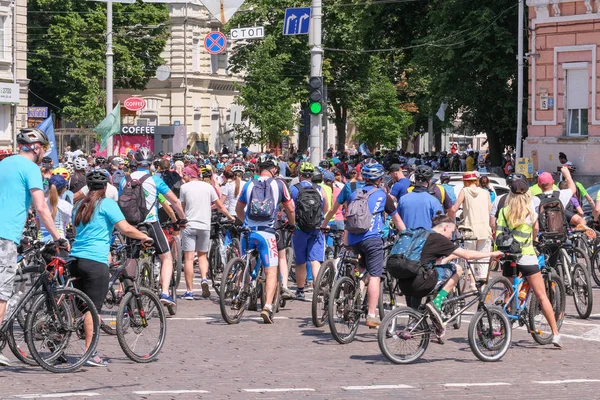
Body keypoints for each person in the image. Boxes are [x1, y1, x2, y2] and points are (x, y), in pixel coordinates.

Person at [69, 171, 154, 366]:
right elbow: (126, 229)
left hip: (76, 260)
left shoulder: (79, 205)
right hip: (95, 261)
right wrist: (144, 237)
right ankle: (90, 352)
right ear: (106, 187)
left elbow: (77, 231)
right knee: (93, 308)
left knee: (82, 307)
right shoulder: (107, 204)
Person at [0, 128, 67, 366]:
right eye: (44, 149)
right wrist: (58, 237)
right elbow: (41, 208)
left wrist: (24, 239)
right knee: (3, 293)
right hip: (4, 235)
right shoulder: (31, 169)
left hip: (9, 235)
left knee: (11, 284)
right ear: (36, 147)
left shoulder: (4, 163)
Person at [322, 161, 405, 327]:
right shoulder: (383, 195)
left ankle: (352, 290)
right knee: (375, 275)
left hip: (353, 238)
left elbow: (335, 209)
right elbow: (397, 221)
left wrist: (324, 224)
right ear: (380, 179)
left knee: (360, 265)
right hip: (372, 238)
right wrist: (407, 234)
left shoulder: (353, 191)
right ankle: (371, 314)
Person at [397, 213, 503, 337]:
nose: (451, 236)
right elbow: (467, 255)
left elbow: (434, 261)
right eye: (451, 232)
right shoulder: (438, 238)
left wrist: (450, 256)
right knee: (457, 268)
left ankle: (413, 321)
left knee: (425, 273)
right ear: (445, 227)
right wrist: (491, 254)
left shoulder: (420, 235)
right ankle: (437, 302)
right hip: (421, 283)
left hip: (404, 283)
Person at [496, 178, 562, 348]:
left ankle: (504, 327)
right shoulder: (530, 212)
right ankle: (555, 334)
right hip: (526, 256)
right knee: (542, 296)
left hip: (509, 256)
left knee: (509, 293)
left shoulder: (504, 211)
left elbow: (497, 233)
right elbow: (535, 232)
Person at [119, 147, 187, 306]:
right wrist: (182, 218)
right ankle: (164, 292)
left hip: (132, 224)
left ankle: (126, 292)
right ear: (152, 164)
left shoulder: (125, 179)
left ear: (135, 162)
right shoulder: (155, 180)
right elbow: (175, 202)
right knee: (166, 257)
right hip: (151, 222)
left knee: (131, 258)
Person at [236, 154, 295, 323]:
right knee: (271, 271)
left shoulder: (248, 184)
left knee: (244, 262)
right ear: (274, 169)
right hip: (267, 233)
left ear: (258, 169)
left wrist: (245, 221)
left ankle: (239, 291)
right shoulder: (279, 184)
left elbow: (239, 208)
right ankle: (268, 306)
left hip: (248, 232)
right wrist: (292, 224)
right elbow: (290, 208)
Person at [180, 165, 234, 299]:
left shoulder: (184, 188)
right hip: (205, 225)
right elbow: (220, 205)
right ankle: (204, 279)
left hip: (189, 224)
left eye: (184, 175)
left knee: (189, 258)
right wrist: (230, 217)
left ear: (189, 175)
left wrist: (179, 221)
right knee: (203, 256)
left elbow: (181, 208)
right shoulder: (208, 187)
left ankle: (189, 291)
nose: (183, 177)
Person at [291, 162, 329, 300]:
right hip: (316, 227)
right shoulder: (319, 189)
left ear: (299, 175)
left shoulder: (294, 189)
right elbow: (326, 208)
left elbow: (289, 208)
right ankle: (317, 288)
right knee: (315, 260)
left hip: (299, 228)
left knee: (300, 261)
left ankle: (300, 290)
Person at [451, 172, 493, 284]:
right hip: (485, 229)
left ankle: (473, 283)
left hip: (469, 230)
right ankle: (483, 285)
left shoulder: (464, 191)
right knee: (483, 258)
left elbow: (454, 209)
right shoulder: (486, 193)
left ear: (465, 181)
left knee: (469, 257)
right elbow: (490, 211)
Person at [38, 175, 72, 245]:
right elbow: (71, 223)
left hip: (41, 242)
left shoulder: (40, 203)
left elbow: (38, 222)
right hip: (60, 241)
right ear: (63, 189)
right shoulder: (66, 205)